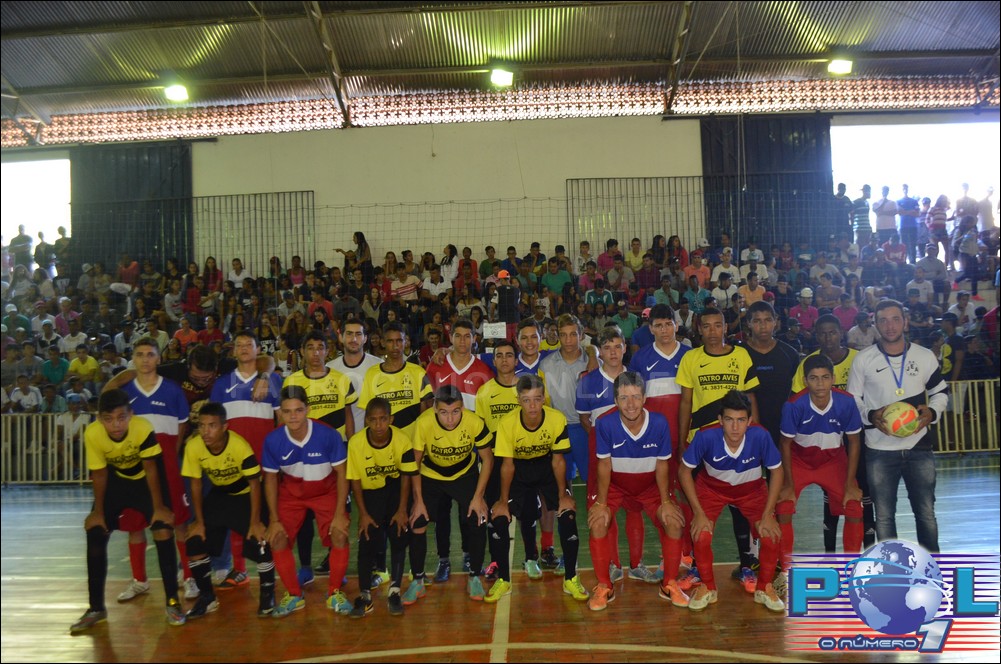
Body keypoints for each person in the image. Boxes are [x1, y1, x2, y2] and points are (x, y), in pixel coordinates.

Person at [70, 389, 186, 633]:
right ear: (99, 419)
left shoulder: (142, 428)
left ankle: (173, 602)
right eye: (109, 419)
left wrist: (158, 508)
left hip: (146, 481)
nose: (116, 425)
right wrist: (98, 512)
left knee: (163, 529)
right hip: (116, 482)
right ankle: (96, 609)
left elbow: (151, 469)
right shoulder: (93, 433)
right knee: (96, 532)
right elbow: (99, 473)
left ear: (131, 414)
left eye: (122, 418)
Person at [846, 300, 948, 553]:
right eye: (883, 320)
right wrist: (870, 415)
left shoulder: (924, 356)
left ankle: (932, 566)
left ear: (905, 321)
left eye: (895, 319)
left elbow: (940, 392)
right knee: (884, 517)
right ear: (875, 324)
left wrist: (932, 412)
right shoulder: (863, 359)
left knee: (925, 513)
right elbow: (852, 400)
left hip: (919, 447)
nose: (889, 326)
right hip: (879, 450)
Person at [587, 371, 688, 611]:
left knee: (674, 521)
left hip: (650, 486)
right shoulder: (605, 424)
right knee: (598, 522)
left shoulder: (659, 423)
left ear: (644, 398)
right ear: (615, 400)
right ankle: (604, 586)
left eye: (635, 397)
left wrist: (666, 501)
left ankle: (669, 584)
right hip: (615, 486)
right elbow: (604, 464)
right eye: (623, 398)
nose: (630, 404)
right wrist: (601, 503)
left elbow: (662, 464)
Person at [679, 390, 785, 613]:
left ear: (749, 420)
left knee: (771, 534)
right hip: (712, 489)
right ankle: (708, 587)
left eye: (741, 420)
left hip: (752, 491)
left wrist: (768, 514)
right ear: (720, 420)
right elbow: (684, 471)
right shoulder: (705, 437)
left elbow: (777, 471)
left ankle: (764, 588)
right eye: (729, 420)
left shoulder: (761, 436)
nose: (735, 427)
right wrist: (698, 512)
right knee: (701, 534)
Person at [676, 307, 759, 589]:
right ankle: (698, 567)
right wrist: (682, 440)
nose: (712, 331)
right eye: (707, 326)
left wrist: (755, 435)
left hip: (738, 441)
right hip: (702, 443)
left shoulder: (741, 355)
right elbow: (686, 402)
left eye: (717, 325)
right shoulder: (691, 358)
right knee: (701, 507)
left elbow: (750, 399)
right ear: (699, 329)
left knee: (739, 506)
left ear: (726, 327)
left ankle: (746, 566)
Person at [489, 374, 589, 602]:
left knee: (567, 513)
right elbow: (507, 465)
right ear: (518, 400)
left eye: (537, 399)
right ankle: (504, 580)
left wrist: (563, 495)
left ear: (544, 398)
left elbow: (558, 460)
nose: (532, 406)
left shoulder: (556, 419)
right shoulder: (507, 423)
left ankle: (571, 578)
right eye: (526, 400)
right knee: (501, 519)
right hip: (518, 470)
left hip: (546, 466)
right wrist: (503, 501)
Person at [114, 338, 196, 602]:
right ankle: (140, 580)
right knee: (135, 524)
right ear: (133, 359)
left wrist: (170, 456)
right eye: (140, 354)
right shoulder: (124, 392)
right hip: (135, 470)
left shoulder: (172, 390)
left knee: (179, 521)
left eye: (150, 354)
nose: (145, 359)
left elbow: (182, 426)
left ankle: (189, 577)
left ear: (159, 358)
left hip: (167, 467)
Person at [180, 402, 276, 618]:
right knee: (194, 542)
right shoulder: (193, 446)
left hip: (246, 495)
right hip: (220, 495)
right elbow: (195, 483)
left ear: (225, 427)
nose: (206, 431)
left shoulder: (239, 446)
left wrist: (255, 521)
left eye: (212, 425)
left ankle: (267, 594)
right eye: (202, 425)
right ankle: (207, 598)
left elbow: (254, 484)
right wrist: (199, 521)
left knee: (261, 541)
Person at [262, 385, 352, 616]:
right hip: (291, 494)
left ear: (308, 410)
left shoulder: (328, 435)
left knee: (340, 533)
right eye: (287, 411)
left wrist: (340, 512)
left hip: (326, 491)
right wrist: (273, 519)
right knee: (277, 538)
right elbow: (270, 479)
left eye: (298, 410)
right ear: (280, 412)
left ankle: (334, 593)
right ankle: (294, 595)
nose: (293, 416)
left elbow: (342, 474)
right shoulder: (273, 440)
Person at [791, 314, 874, 551]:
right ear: (816, 336)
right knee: (831, 495)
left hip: (856, 436)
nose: (828, 338)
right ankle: (830, 552)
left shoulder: (858, 359)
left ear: (841, 333)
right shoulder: (809, 363)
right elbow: (797, 400)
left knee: (862, 492)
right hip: (826, 438)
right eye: (822, 333)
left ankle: (868, 550)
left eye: (833, 332)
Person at [777, 354, 864, 582]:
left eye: (825, 377)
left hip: (833, 461)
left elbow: (854, 442)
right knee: (783, 507)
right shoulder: (794, 405)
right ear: (805, 380)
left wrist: (849, 483)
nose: (820, 384)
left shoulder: (846, 402)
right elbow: (784, 444)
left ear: (833, 379)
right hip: (800, 460)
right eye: (814, 378)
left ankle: (851, 569)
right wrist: (788, 484)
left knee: (854, 507)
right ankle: (785, 571)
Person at [404, 386, 494, 604]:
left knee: (478, 517)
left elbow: (488, 459)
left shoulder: (474, 422)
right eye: (444, 412)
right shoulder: (424, 423)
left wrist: (478, 496)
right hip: (431, 475)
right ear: (435, 409)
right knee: (417, 520)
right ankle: (418, 580)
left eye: (455, 411)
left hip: (464, 474)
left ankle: (474, 577)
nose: (450, 419)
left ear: (462, 407)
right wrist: (418, 500)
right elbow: (414, 463)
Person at [282, 330, 357, 585]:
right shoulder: (292, 382)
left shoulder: (341, 379)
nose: (315, 353)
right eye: (310, 347)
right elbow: (286, 419)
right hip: (303, 459)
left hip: (335, 458)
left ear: (328, 351)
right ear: (302, 352)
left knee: (339, 512)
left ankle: (336, 564)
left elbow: (348, 415)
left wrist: (350, 446)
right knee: (304, 515)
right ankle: (305, 567)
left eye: (320, 347)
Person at [346, 398, 417, 617]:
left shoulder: (402, 440)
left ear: (391, 419)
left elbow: (406, 476)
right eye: (373, 420)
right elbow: (355, 480)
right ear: (366, 421)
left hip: (396, 491)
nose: (378, 425)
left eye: (383, 419)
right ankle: (364, 596)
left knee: (398, 534)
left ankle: (394, 591)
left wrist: (402, 509)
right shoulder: (356, 443)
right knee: (367, 538)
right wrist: (363, 514)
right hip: (371, 494)